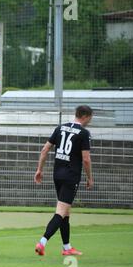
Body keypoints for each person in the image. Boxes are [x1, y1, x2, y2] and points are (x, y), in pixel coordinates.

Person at [34, 105, 94, 256]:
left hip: (57, 175)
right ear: (86, 116)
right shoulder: (84, 133)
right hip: (70, 176)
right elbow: (86, 160)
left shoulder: (60, 128)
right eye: (90, 118)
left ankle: (67, 248)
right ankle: (42, 242)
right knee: (61, 212)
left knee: (66, 212)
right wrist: (90, 178)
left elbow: (44, 150)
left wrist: (39, 170)